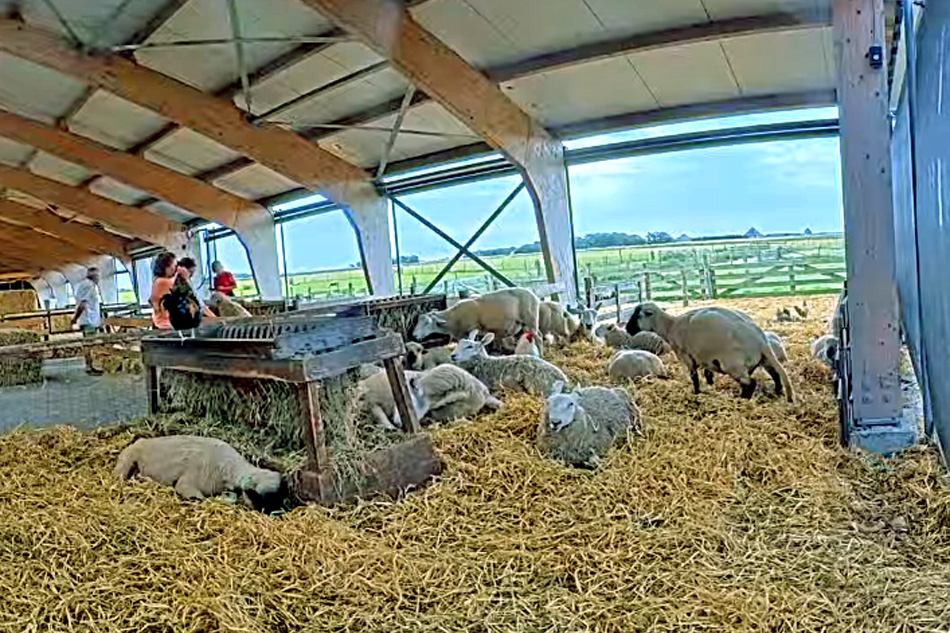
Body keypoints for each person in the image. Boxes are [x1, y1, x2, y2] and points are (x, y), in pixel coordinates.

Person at [71, 267, 103, 375]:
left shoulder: (85, 285)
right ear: (94, 276)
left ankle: (90, 366)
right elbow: (83, 304)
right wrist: (75, 318)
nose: (99, 278)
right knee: (90, 344)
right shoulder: (89, 286)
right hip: (89, 320)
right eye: (98, 276)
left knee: (88, 343)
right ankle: (90, 367)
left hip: (89, 319)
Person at [149, 252, 178, 330]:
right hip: (163, 326)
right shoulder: (161, 282)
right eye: (174, 265)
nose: (175, 269)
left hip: (165, 324)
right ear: (166, 267)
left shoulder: (158, 280)